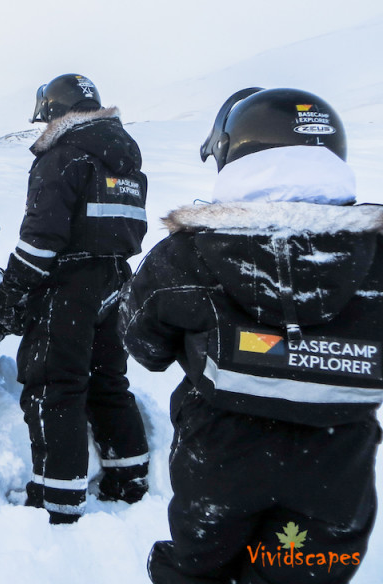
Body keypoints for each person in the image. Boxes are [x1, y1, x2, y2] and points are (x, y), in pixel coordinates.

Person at [119, 87, 383, 583]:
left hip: (218, 459)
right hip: (338, 468)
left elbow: (143, 345)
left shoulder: (186, 254)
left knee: (195, 572)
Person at [0, 73, 151, 523]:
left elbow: (39, 242)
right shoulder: (126, 163)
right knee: (108, 383)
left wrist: (8, 303)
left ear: (56, 113)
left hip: (68, 287)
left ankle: (56, 501)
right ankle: (129, 479)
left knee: (54, 388)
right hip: (116, 281)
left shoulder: (62, 158)